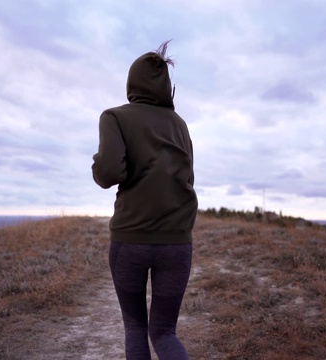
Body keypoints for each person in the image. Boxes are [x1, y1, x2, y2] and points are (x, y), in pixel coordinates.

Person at [92, 40, 198, 360]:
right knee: (164, 332)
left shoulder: (115, 117)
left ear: (132, 83)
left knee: (136, 328)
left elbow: (107, 173)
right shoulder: (180, 126)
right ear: (167, 87)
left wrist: (100, 162)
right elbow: (187, 177)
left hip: (130, 241)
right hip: (178, 244)